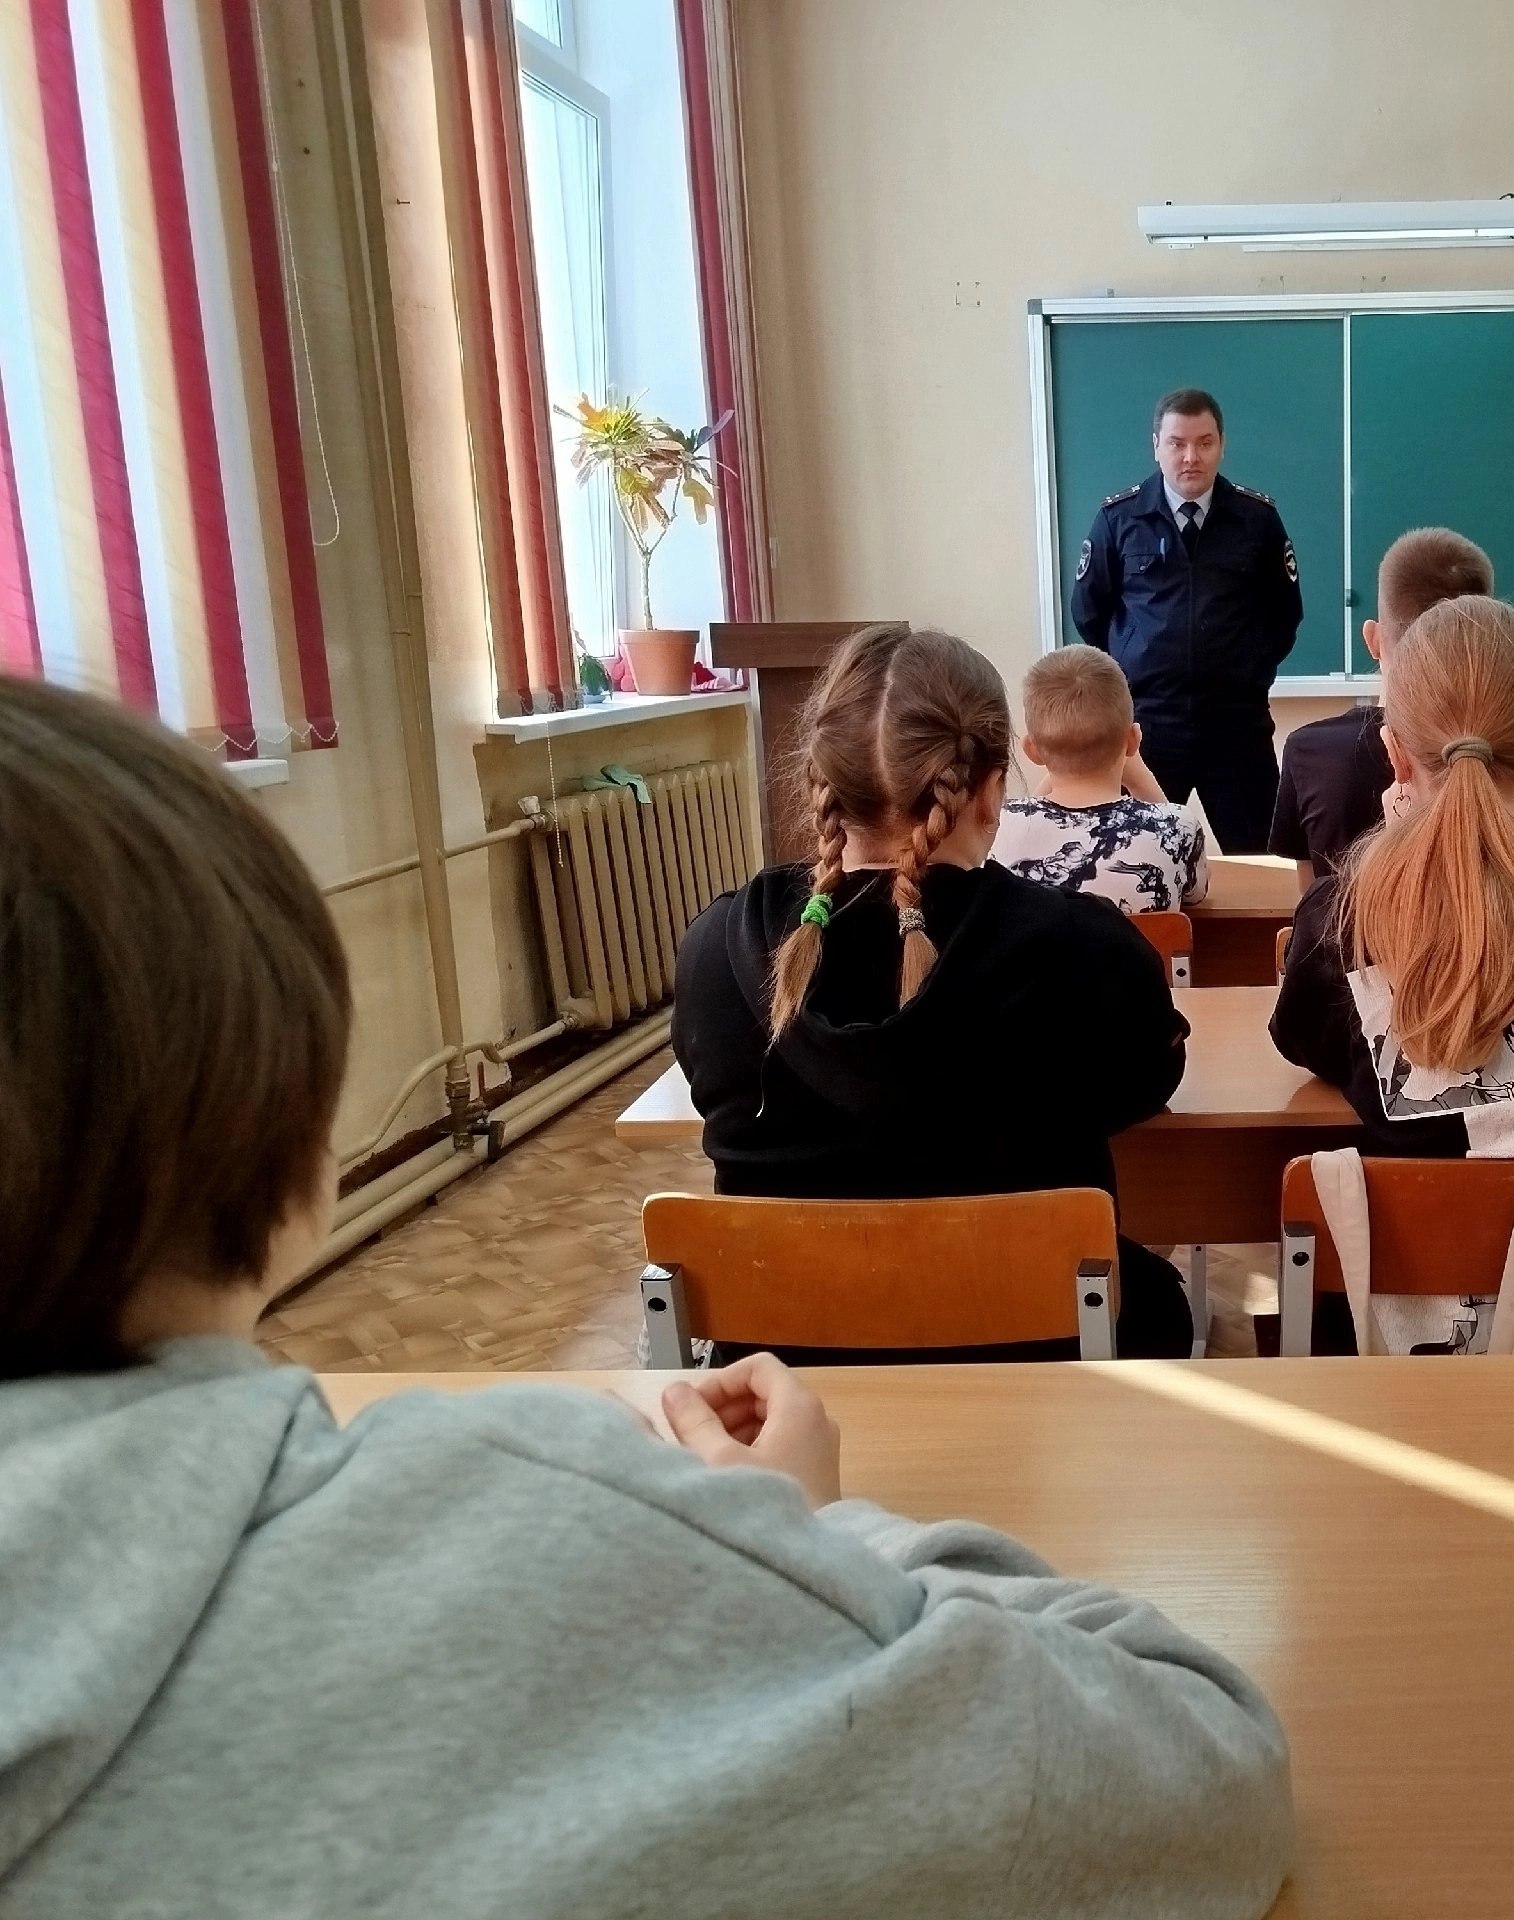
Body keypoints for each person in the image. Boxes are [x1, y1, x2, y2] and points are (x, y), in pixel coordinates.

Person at [0, 672, 1292, 1918]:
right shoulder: (545, 1518)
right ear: (299, 1153)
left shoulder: (724, 943)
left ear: (817, 783)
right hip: (951, 1393)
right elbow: (1200, 1777)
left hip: (775, 1338)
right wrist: (795, 1530)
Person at [673, 625, 1195, 1359]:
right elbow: (1145, 1083)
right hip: (1041, 1363)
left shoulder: (718, 950)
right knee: (1157, 1300)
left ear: (823, 785)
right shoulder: (1086, 948)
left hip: (788, 1373)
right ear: (992, 791)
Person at [1270, 596, 1514, 1354]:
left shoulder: (1342, 916)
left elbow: (1303, 1040)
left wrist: (1396, 859)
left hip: (1390, 1354)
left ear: (1394, 754)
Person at [1069, 387, 1303, 855]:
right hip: (1147, 727)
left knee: (1262, 863)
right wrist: (1132, 669)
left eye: (1204, 442)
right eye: (1177, 443)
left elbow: (1284, 613)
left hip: (1236, 726)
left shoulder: (1257, 520)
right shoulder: (1119, 519)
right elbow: (1088, 613)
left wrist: (1247, 672)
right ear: (1156, 445)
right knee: (1133, 861)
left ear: (1222, 444)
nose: (1191, 457)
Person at [1270, 526, 1494, 888]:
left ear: (1373, 639)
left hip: (1344, 929)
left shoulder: (1309, 752)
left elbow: (1308, 901)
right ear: (1484, 643)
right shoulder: (1498, 749)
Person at [992, 646, 1206, 914]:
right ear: (1133, 741)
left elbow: (1033, 817)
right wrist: (1142, 780)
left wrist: (1060, 757)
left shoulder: (997, 825)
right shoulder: (1179, 826)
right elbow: (1195, 893)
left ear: (1031, 750)